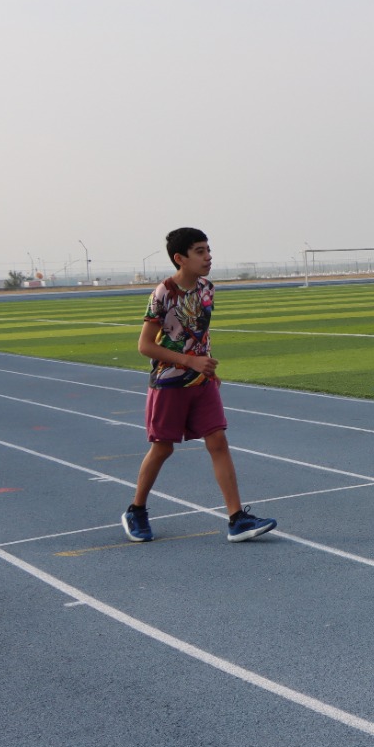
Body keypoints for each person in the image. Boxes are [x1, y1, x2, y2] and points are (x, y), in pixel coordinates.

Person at [120, 228, 277, 544]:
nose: (208, 257)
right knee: (163, 447)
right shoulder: (163, 293)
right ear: (180, 258)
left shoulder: (207, 288)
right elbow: (145, 346)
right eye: (200, 251)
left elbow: (200, 333)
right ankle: (136, 510)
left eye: (208, 250)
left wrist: (205, 365)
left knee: (218, 440)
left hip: (201, 380)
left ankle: (236, 519)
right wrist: (189, 362)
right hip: (168, 382)